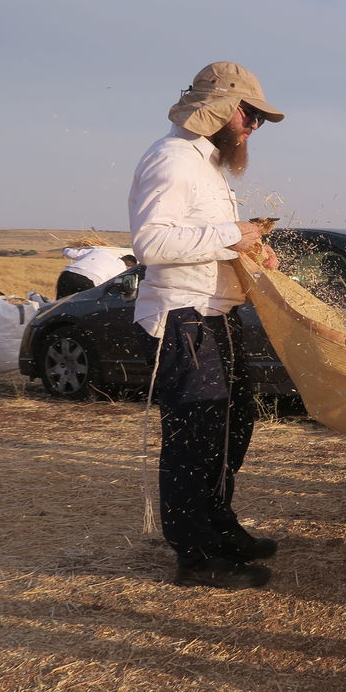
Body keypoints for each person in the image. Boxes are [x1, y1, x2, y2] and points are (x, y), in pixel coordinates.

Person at [128, 61, 285, 590]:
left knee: (231, 426)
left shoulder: (206, 165)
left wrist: (250, 249)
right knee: (193, 439)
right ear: (219, 109)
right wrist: (231, 233)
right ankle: (194, 557)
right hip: (184, 318)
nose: (254, 128)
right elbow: (150, 244)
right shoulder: (172, 160)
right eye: (250, 115)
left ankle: (218, 527)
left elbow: (211, 239)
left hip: (215, 314)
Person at [56, 246, 136, 299]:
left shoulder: (98, 251)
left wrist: (65, 249)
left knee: (58, 306)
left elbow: (72, 253)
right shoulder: (121, 270)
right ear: (129, 267)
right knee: (85, 308)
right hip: (88, 280)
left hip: (67, 274)